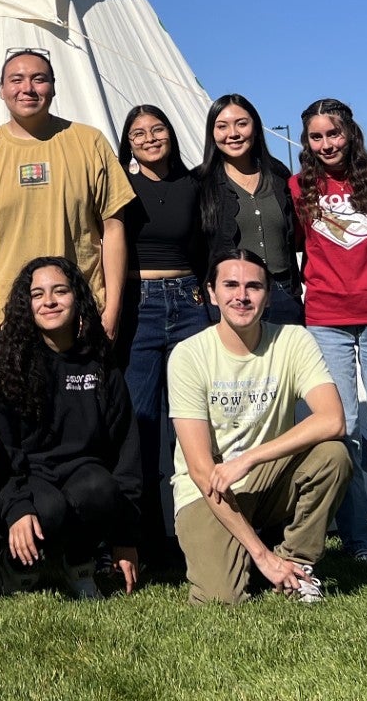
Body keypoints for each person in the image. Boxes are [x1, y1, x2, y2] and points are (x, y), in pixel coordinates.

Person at [168, 250, 350, 606]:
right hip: (208, 491)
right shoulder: (189, 355)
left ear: (267, 296)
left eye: (254, 286)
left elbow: (333, 419)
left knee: (334, 455)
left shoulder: (294, 341)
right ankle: (264, 559)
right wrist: (263, 557)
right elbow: (203, 471)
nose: (242, 296)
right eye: (231, 285)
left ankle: (298, 567)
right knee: (221, 600)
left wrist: (249, 459)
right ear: (211, 293)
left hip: (264, 477)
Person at [288, 98, 367, 567]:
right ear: (307, 142)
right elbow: (297, 247)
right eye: (316, 137)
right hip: (325, 319)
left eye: (334, 134)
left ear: (351, 133)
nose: (326, 144)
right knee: (340, 432)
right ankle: (358, 539)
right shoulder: (297, 187)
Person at [0, 49, 136, 366]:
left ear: (53, 87)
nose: (27, 88)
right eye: (16, 80)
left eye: (38, 79)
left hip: (82, 316)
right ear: (1, 89)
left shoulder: (89, 142)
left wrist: (111, 312)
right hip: (11, 318)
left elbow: (113, 229)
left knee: (86, 414)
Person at [0, 257, 141, 599]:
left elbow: (125, 448)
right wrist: (16, 506)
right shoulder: (5, 365)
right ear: (27, 304)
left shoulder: (98, 361)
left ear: (77, 297)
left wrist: (125, 537)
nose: (49, 301)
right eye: (37, 294)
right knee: (48, 509)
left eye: (60, 291)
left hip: (82, 474)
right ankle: (17, 566)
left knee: (100, 487)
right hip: (27, 479)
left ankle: (79, 562)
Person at [114, 104, 234, 552]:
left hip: (189, 303)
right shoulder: (121, 186)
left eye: (157, 129)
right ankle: (144, 542)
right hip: (138, 306)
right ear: (127, 142)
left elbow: (210, 241)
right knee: (140, 426)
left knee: (194, 425)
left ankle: (201, 535)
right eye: (138, 133)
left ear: (171, 133)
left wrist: (210, 289)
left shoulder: (196, 184)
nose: (149, 139)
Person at [197, 94, 304, 324]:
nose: (233, 133)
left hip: (282, 294)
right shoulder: (200, 183)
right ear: (212, 133)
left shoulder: (278, 175)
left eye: (242, 124)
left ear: (255, 128)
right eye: (222, 126)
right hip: (231, 300)